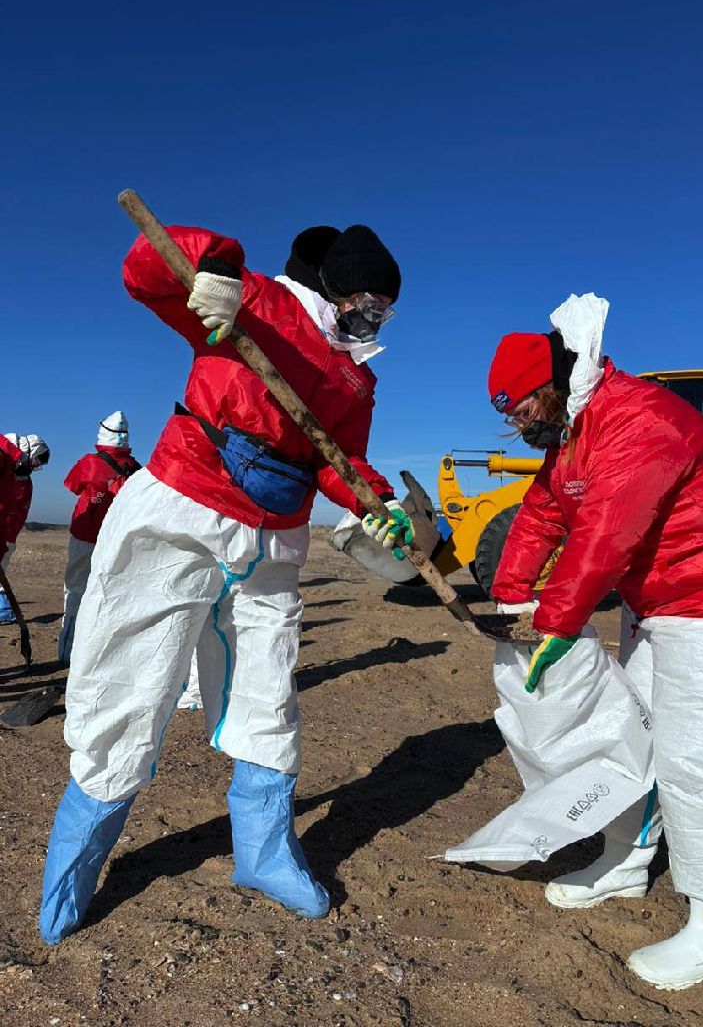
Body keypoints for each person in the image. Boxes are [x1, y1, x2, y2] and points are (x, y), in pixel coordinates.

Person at [40, 221, 414, 945]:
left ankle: (265, 853)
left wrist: (377, 502)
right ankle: (76, 859)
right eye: (366, 300)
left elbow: (339, 458)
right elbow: (148, 271)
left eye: (386, 308)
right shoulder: (258, 302)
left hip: (275, 540)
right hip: (185, 510)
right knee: (132, 680)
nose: (373, 316)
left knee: (268, 689)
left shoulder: (355, 376)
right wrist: (209, 269)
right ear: (336, 288)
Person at [486, 293, 703, 991]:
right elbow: (542, 513)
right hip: (660, 602)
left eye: (522, 413)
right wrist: (509, 595)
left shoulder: (636, 421)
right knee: (628, 735)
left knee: (695, 767)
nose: (519, 428)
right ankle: (625, 863)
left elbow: (604, 534)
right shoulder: (575, 432)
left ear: (550, 386)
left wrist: (556, 621)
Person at [57, 413, 141, 663]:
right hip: (115, 537)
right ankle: (99, 651)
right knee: (109, 591)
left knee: (75, 589)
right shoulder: (135, 468)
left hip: (85, 534)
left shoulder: (90, 463)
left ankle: (67, 652)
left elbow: (72, 485)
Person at [0, 433, 50, 623]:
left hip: (6, 532)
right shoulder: (6, 456)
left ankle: (3, 606)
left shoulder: (20, 476)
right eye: (38, 459)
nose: (38, 466)